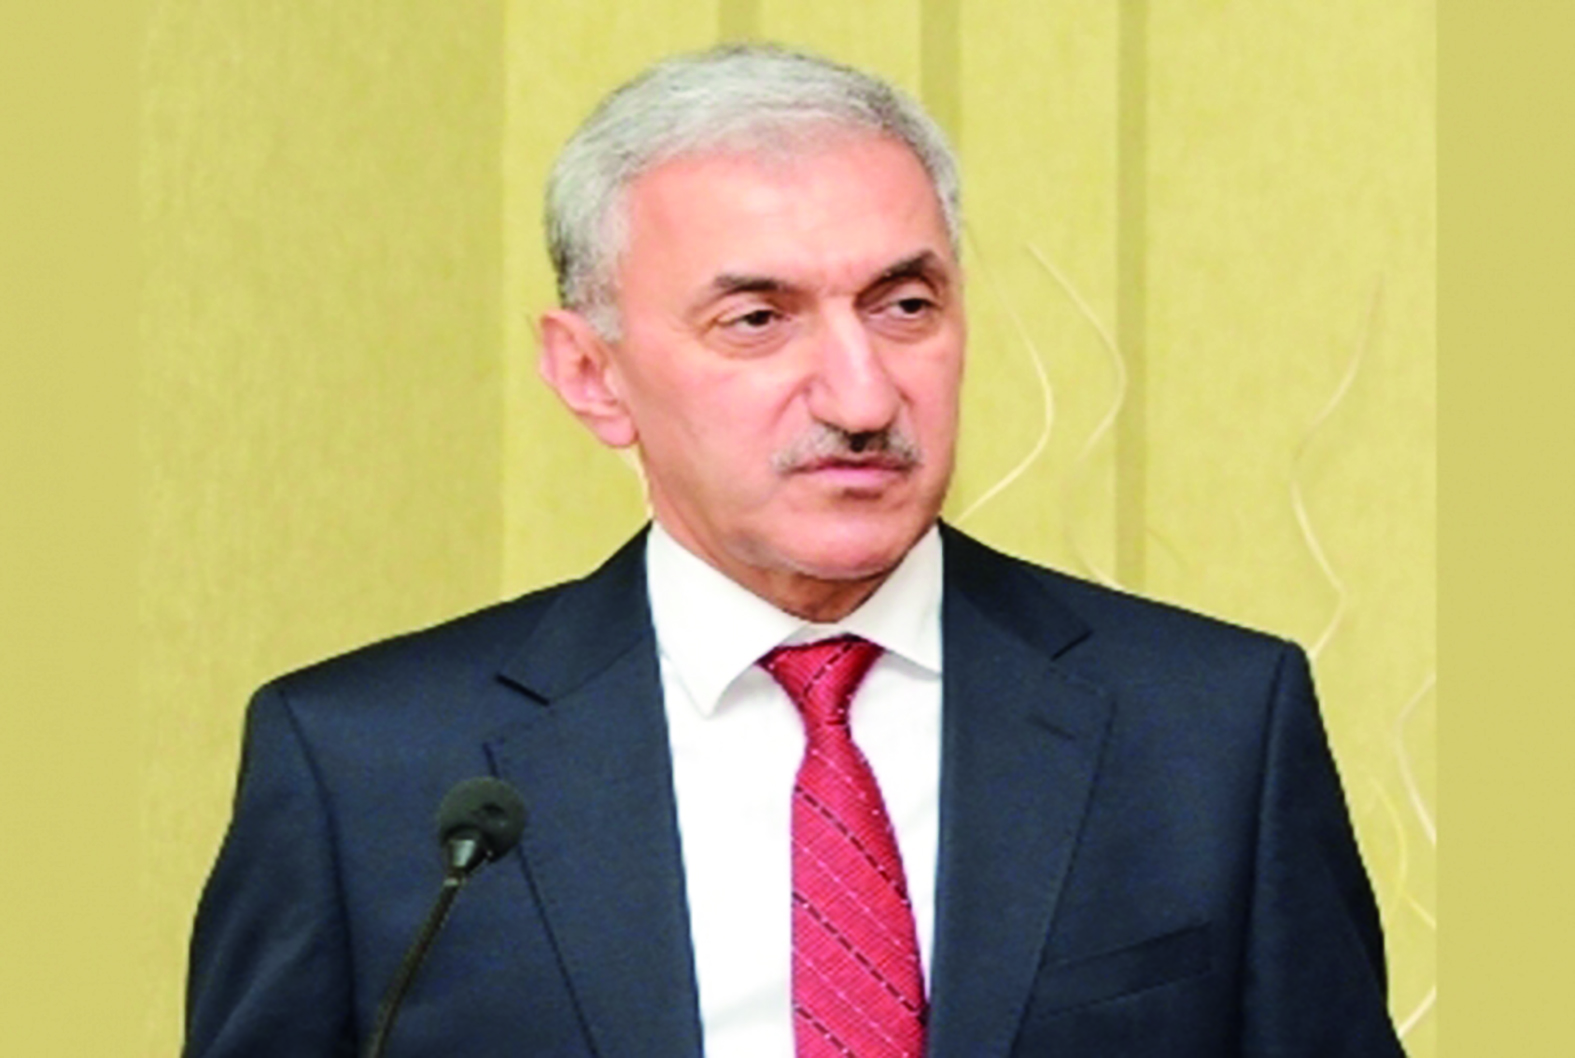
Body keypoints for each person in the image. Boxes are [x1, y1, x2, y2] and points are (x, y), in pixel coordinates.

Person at [185, 44, 1405, 1057]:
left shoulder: (1211, 728)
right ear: (591, 373)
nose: (863, 396)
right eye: (758, 319)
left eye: (905, 305)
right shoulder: (370, 767)